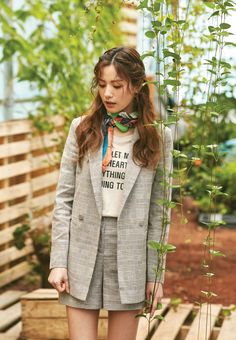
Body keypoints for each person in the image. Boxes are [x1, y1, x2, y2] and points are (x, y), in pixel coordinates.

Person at [48, 46, 173, 340]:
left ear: (137, 86)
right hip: (82, 247)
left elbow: (159, 212)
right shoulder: (82, 129)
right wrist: (58, 261)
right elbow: (64, 200)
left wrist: (156, 275)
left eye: (117, 85)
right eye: (102, 85)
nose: (108, 94)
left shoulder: (158, 137)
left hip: (130, 252)